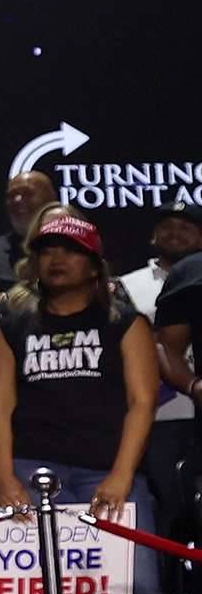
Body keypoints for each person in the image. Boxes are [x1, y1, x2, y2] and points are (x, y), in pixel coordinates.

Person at [0, 213, 202, 594]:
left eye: (70, 251)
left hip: (110, 472)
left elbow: (143, 401)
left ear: (93, 262)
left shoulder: (124, 322)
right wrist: (5, 475)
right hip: (39, 475)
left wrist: (122, 475)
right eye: (47, 250)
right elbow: (2, 405)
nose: (57, 260)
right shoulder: (14, 325)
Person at [123, 201, 202, 539]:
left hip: (191, 410)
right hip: (160, 411)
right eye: (167, 225)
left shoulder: (194, 273)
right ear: (153, 236)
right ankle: (171, 581)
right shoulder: (126, 284)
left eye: (185, 226)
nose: (175, 232)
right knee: (168, 500)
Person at [0, 171, 60, 325]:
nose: (18, 200)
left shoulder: (76, 246)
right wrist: (15, 338)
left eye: (28, 193)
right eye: (12, 195)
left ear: (51, 198)